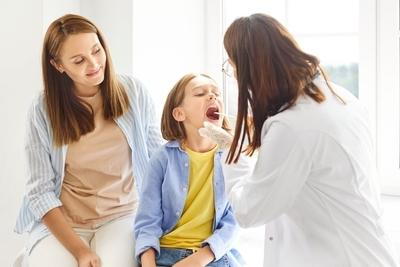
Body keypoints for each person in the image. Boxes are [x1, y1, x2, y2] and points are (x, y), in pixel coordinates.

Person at [200, 13, 400, 266]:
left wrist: (233, 152)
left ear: (250, 67)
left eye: (233, 66)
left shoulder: (291, 127)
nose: (235, 75)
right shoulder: (339, 97)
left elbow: (249, 212)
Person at [13, 14, 163, 267]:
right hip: (64, 222)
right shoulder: (43, 109)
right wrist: (81, 251)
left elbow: (157, 159)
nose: (94, 64)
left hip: (121, 216)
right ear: (58, 65)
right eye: (79, 60)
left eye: (97, 51)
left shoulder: (134, 93)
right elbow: (39, 191)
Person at [134, 73, 243, 267]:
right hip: (165, 254)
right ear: (179, 114)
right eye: (200, 93)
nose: (212, 96)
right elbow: (147, 221)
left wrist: (200, 258)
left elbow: (235, 221)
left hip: (212, 255)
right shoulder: (162, 159)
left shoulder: (233, 157)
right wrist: (148, 262)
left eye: (216, 93)